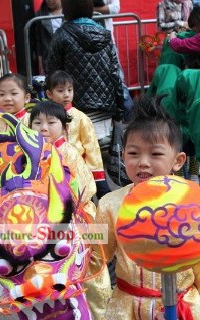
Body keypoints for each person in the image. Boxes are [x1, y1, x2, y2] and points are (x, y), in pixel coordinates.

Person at [90, 94, 200, 320]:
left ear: (177, 160)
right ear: (123, 157)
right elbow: (94, 257)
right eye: (133, 153)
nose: (143, 163)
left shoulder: (192, 204)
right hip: (128, 312)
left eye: (155, 154)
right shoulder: (111, 204)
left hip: (176, 315)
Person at [47, 0, 124, 148]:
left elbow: (53, 75)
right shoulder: (105, 34)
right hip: (105, 117)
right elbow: (116, 76)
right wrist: (119, 113)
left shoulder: (61, 35)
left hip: (74, 114)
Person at [45, 70, 110, 199]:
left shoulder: (81, 117)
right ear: (49, 94)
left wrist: (98, 177)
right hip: (51, 170)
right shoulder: (44, 116)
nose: (66, 95)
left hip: (78, 171)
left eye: (70, 90)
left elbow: (92, 148)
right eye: (60, 91)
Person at [30, 100, 97, 217]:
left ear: (64, 128)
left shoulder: (69, 153)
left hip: (69, 211)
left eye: (51, 122)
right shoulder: (29, 152)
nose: (43, 128)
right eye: (37, 123)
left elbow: (85, 188)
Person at [34, 0, 63, 75]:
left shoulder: (70, 13)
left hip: (68, 58)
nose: (49, 1)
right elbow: (38, 43)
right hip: (49, 60)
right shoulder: (39, 15)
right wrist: (40, 65)